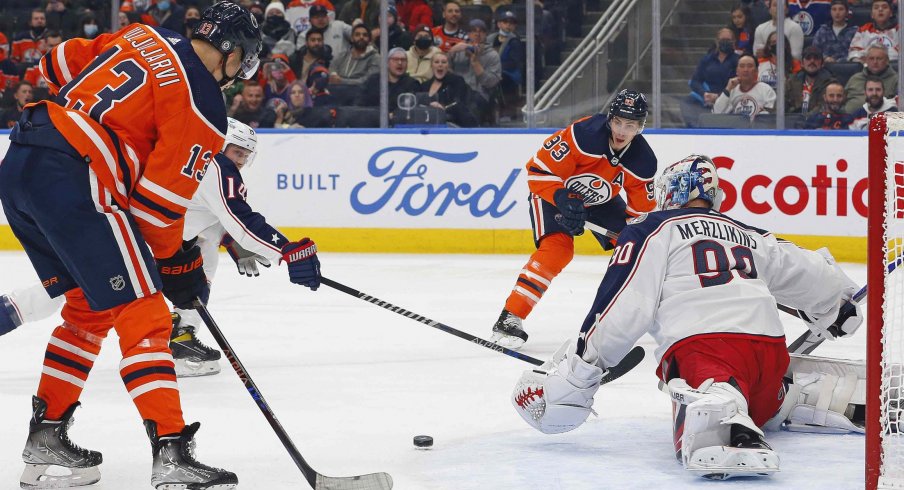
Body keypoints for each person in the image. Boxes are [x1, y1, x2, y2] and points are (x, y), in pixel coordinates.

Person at [0, 4, 268, 488]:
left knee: (88, 308)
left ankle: (46, 435)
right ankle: (171, 453)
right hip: (78, 175)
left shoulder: (148, 34)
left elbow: (55, 63)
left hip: (21, 160)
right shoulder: (203, 103)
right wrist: (175, 263)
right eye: (243, 61)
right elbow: (157, 206)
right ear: (232, 53)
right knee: (143, 308)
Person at [511, 154, 863, 480]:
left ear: (673, 191)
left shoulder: (650, 227)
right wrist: (837, 306)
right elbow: (805, 268)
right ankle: (801, 396)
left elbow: (627, 303)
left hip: (706, 350)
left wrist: (582, 369)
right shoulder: (746, 233)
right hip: (770, 355)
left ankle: (723, 422)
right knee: (767, 391)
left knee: (707, 384)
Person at [491, 90, 657, 349]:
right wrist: (562, 199)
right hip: (554, 192)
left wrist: (632, 238)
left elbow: (641, 216)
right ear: (609, 119)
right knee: (558, 249)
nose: (621, 131)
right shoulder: (583, 136)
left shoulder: (643, 162)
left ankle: (652, 314)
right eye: (618, 122)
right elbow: (538, 172)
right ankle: (510, 316)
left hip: (601, 200)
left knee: (635, 250)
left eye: (630, 125)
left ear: (640, 127)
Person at [450, 19, 502, 125]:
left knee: (472, 104)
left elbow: (491, 82)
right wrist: (451, 51)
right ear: (468, 34)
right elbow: (444, 71)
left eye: (481, 31)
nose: (477, 34)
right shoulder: (459, 51)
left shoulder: (492, 55)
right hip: (458, 92)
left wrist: (475, 63)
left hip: (480, 94)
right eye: (473, 30)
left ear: (486, 34)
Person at [420, 51, 477, 127]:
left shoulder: (457, 81)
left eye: (444, 62)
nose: (440, 65)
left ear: (448, 66)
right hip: (427, 123)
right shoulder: (424, 85)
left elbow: (458, 103)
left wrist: (443, 108)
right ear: (431, 66)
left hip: (452, 122)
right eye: (436, 62)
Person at [357, 47, 420, 112]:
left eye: (403, 60)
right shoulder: (373, 81)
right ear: (387, 62)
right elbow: (361, 104)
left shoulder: (412, 84)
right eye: (395, 59)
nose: (400, 63)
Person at [844, 43, 898, 113]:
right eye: (871, 58)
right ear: (866, 60)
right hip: (850, 120)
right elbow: (841, 99)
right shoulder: (855, 79)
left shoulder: (897, 80)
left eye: (879, 58)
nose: (875, 62)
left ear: (887, 60)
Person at [786, 45, 835, 115]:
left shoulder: (830, 83)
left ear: (822, 63)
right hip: (792, 121)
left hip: (818, 122)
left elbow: (823, 106)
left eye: (816, 58)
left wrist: (805, 118)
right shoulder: (791, 81)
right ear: (802, 63)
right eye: (808, 58)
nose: (812, 61)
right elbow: (782, 103)